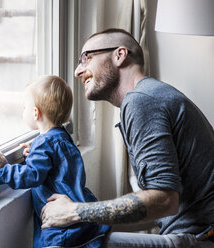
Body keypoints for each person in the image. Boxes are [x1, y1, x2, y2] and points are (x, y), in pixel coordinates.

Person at [40, 28, 214, 247]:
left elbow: (164, 200)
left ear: (119, 55)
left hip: (200, 238)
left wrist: (75, 211)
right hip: (196, 233)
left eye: (86, 58)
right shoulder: (150, 95)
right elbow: (163, 206)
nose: (77, 71)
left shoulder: (141, 100)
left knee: (72, 243)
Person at [0, 75, 110, 248]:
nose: (23, 111)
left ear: (35, 113)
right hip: (78, 205)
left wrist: (4, 169)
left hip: (60, 228)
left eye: (25, 107)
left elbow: (32, 176)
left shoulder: (44, 142)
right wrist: (32, 156)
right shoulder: (62, 137)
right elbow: (56, 165)